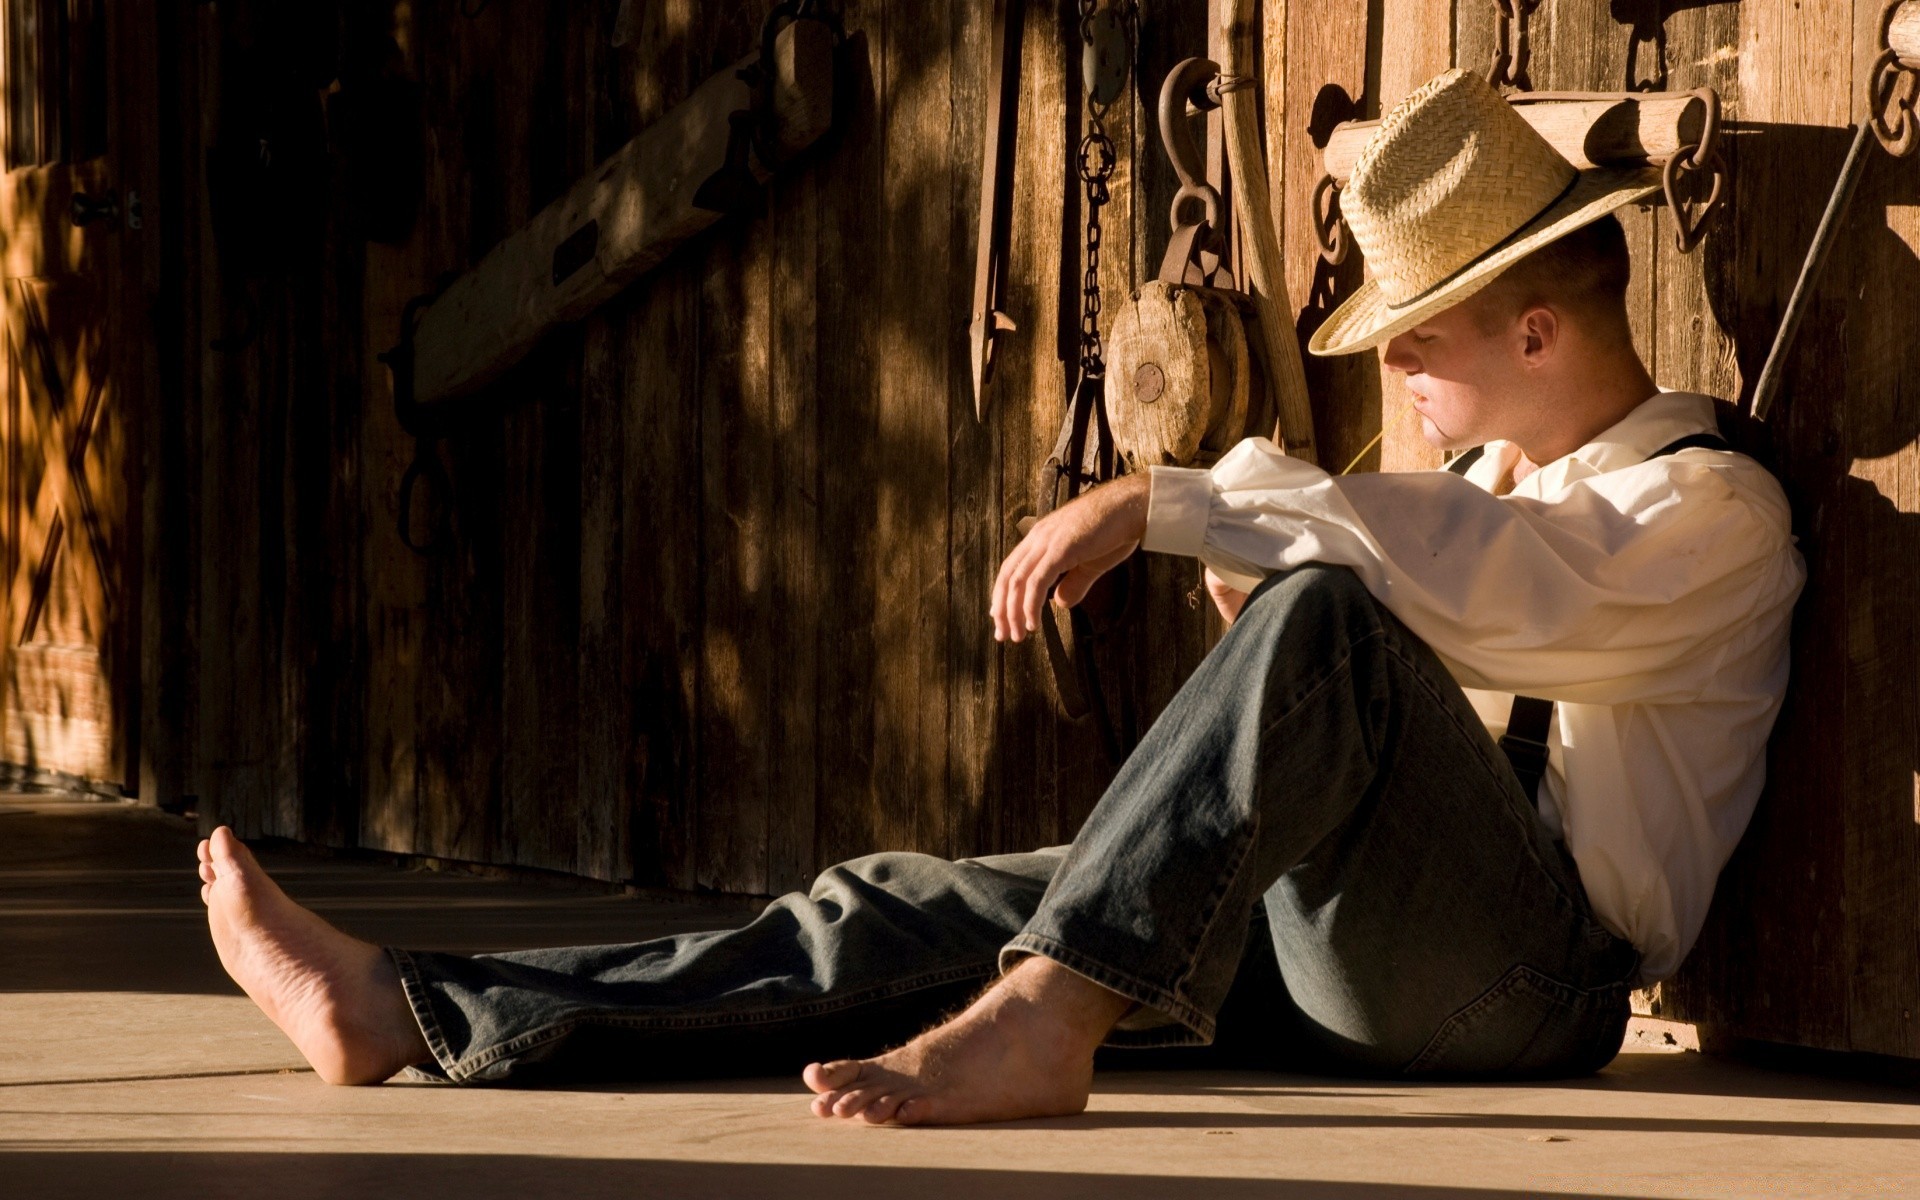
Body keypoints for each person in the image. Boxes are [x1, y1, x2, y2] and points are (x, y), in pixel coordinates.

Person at [193, 69, 1803, 1127]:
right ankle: (417, 1013)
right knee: (910, 908)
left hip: (1538, 992)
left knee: (1324, 624)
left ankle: (1051, 1017)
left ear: (1536, 334)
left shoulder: (1710, 514)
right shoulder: (1479, 498)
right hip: (1362, 958)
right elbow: (1433, 607)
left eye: (1416, 336)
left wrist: (1168, 503)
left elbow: (1496, 595)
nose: (1388, 365)